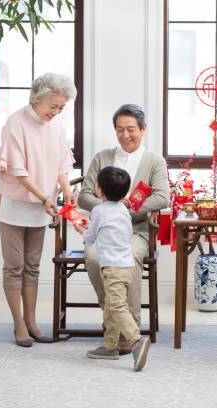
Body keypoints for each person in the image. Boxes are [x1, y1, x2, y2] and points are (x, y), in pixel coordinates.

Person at [0, 73, 77, 347]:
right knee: (13, 266)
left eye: (62, 107)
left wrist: (67, 189)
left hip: (43, 205)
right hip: (17, 203)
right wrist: (45, 197)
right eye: (53, 105)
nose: (57, 111)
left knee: (33, 266)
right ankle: (18, 325)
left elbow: (62, 163)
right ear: (37, 98)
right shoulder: (16, 122)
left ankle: (32, 321)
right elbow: (18, 170)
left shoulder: (58, 125)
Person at [78, 104, 170, 354]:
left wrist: (124, 212)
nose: (125, 134)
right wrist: (108, 209)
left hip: (136, 230)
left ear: (143, 129)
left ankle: (130, 330)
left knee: (128, 259)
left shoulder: (154, 161)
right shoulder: (102, 157)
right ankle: (118, 323)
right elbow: (84, 195)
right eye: (119, 129)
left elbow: (162, 197)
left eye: (131, 129)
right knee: (95, 257)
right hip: (103, 231)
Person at [74, 166, 151, 372]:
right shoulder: (124, 210)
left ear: (99, 190)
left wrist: (81, 228)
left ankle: (136, 340)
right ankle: (110, 346)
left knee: (116, 307)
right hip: (126, 266)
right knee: (111, 304)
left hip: (112, 267)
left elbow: (90, 238)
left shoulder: (98, 210)